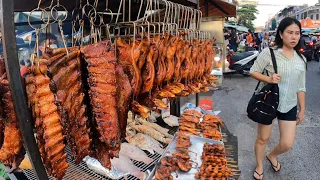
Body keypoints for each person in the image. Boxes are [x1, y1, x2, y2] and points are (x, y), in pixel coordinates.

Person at [250, 17, 306, 180]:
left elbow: (301, 87)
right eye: (290, 32)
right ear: (281, 34)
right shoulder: (270, 53)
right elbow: (253, 71)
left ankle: (272, 155)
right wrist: (268, 79)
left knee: (287, 143)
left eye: (297, 33)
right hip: (269, 102)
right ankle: (259, 164)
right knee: (263, 138)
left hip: (289, 105)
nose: (294, 37)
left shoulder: (301, 59)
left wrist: (302, 109)